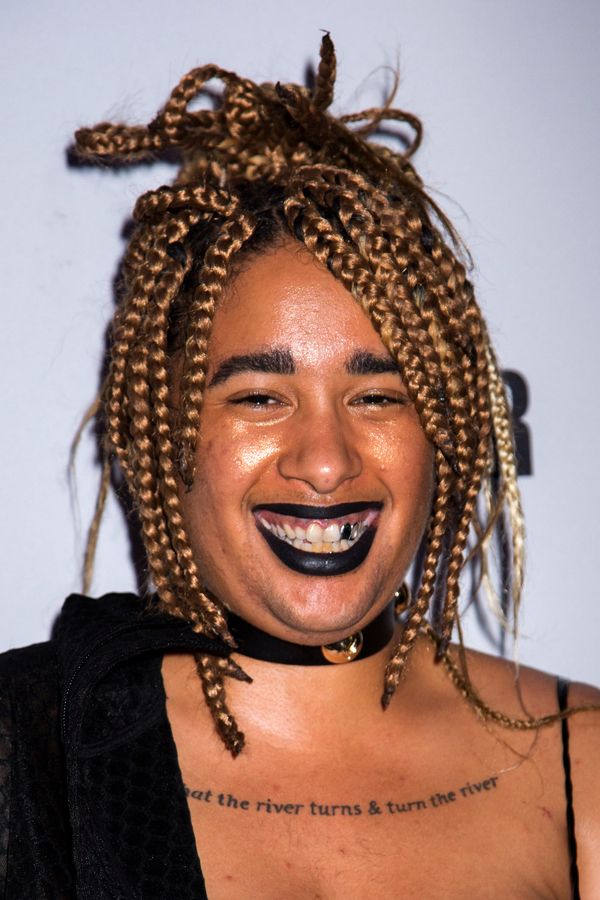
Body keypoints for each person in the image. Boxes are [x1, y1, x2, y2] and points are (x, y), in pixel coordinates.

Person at [1, 34, 599, 899]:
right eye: (259, 397)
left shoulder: (580, 761)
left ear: (445, 431)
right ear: (163, 435)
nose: (326, 463)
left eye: (377, 396)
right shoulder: (28, 751)